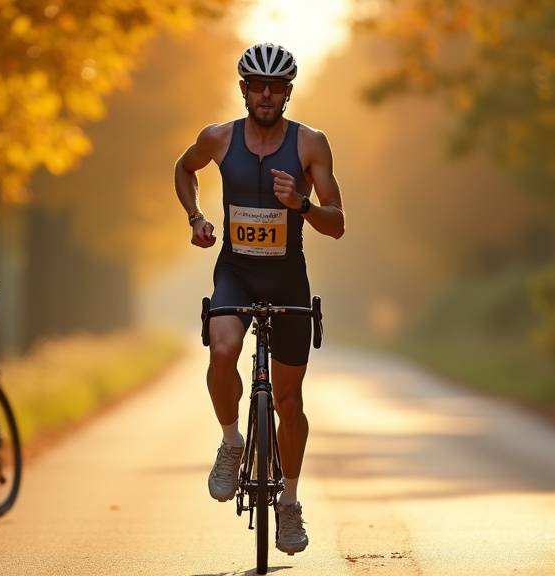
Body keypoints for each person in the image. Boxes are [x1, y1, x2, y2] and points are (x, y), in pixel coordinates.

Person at [173, 42, 345, 555]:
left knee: (289, 403)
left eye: (276, 87)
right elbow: (184, 170)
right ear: (243, 89)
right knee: (221, 351)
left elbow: (337, 224)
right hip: (237, 272)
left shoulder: (311, 144)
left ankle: (288, 502)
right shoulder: (218, 138)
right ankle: (231, 442)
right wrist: (196, 218)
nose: (266, 94)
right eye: (257, 86)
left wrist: (303, 204)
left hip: (288, 278)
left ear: (288, 92)